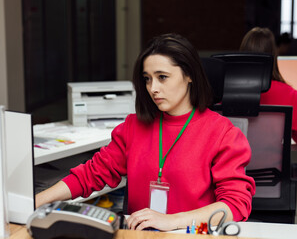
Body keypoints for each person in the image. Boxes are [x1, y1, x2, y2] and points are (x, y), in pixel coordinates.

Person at [36, 33, 255, 231]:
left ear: (189, 76)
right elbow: (90, 174)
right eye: (147, 78)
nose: (153, 88)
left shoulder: (223, 133)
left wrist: (172, 221)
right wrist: (35, 201)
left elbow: (235, 205)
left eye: (162, 77)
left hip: (190, 235)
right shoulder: (133, 127)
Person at [240, 27, 297, 143]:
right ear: (273, 55)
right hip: (274, 161)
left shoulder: (226, 93)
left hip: (237, 160)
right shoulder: (290, 95)